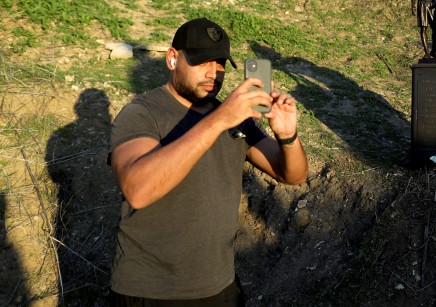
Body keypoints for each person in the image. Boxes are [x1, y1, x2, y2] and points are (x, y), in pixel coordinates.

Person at [107, 17, 308, 305]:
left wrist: (287, 136)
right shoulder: (141, 113)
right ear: (173, 59)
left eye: (221, 63)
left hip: (219, 287)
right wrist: (219, 120)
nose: (214, 72)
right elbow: (137, 191)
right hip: (151, 291)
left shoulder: (233, 116)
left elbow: (292, 175)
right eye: (202, 61)